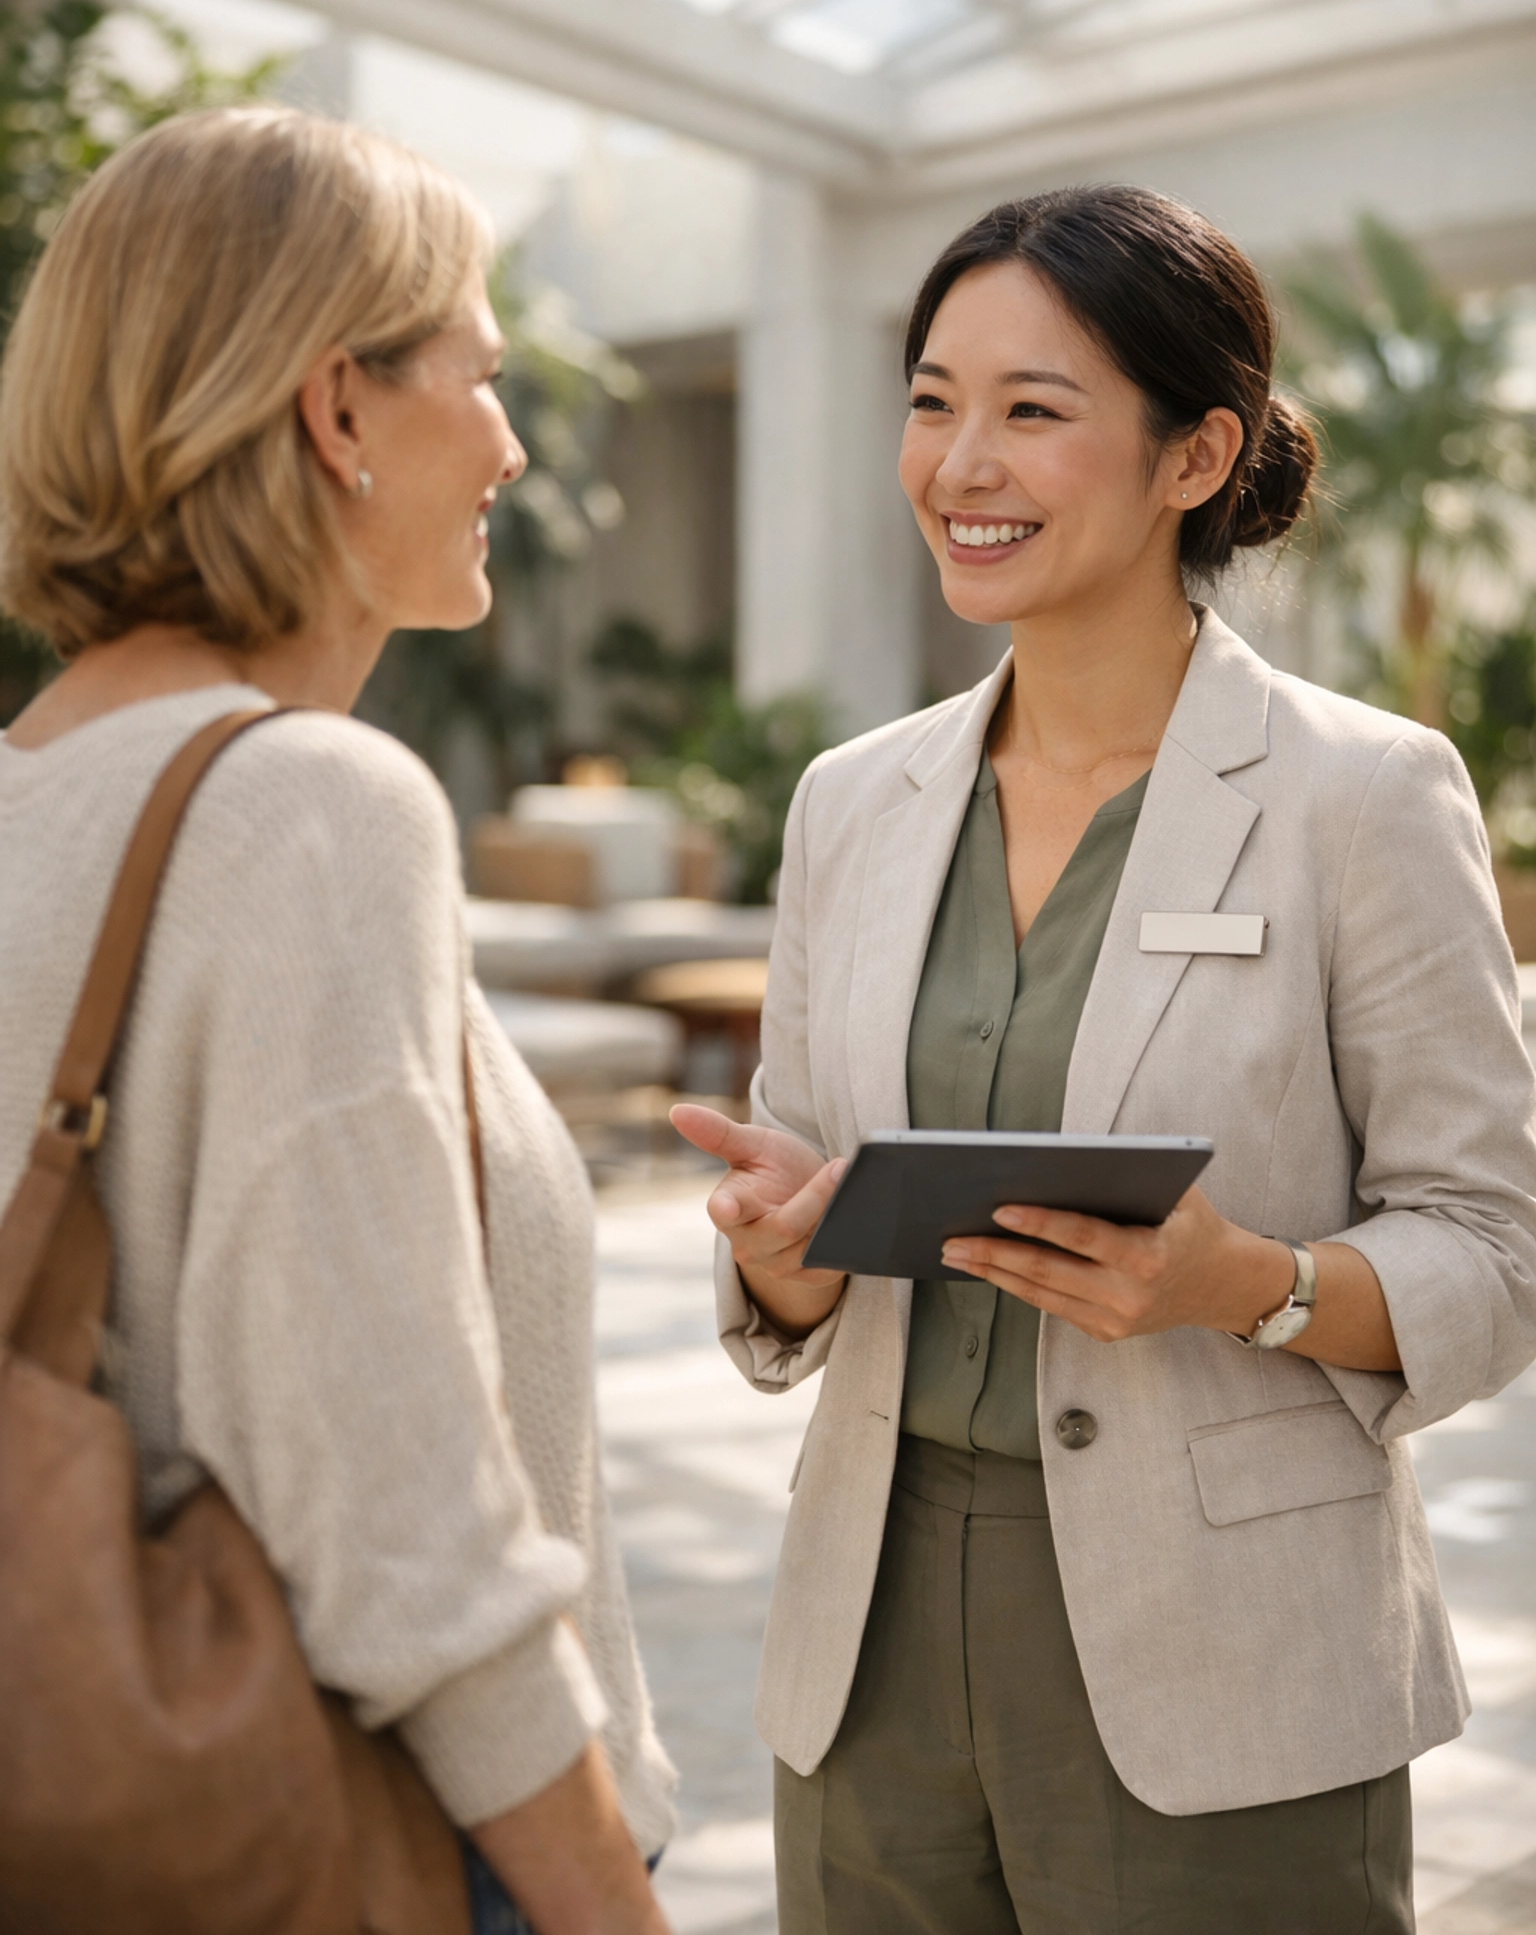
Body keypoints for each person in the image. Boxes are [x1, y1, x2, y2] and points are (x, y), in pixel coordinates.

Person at [676, 185, 1536, 1934]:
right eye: (932, 401)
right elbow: (802, 1172)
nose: (960, 463)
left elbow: (1498, 1246)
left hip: (1228, 1664)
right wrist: (780, 1264)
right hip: (872, 1641)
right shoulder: (854, 802)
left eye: (1033, 410)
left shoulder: (1360, 795)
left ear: (1194, 457)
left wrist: (1258, 1284)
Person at [0, 107, 675, 1935]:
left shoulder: (31, 797)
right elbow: (410, 1535)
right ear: (339, 409)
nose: (514, 445)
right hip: (358, 1837)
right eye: (481, 371)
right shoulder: (312, 810)